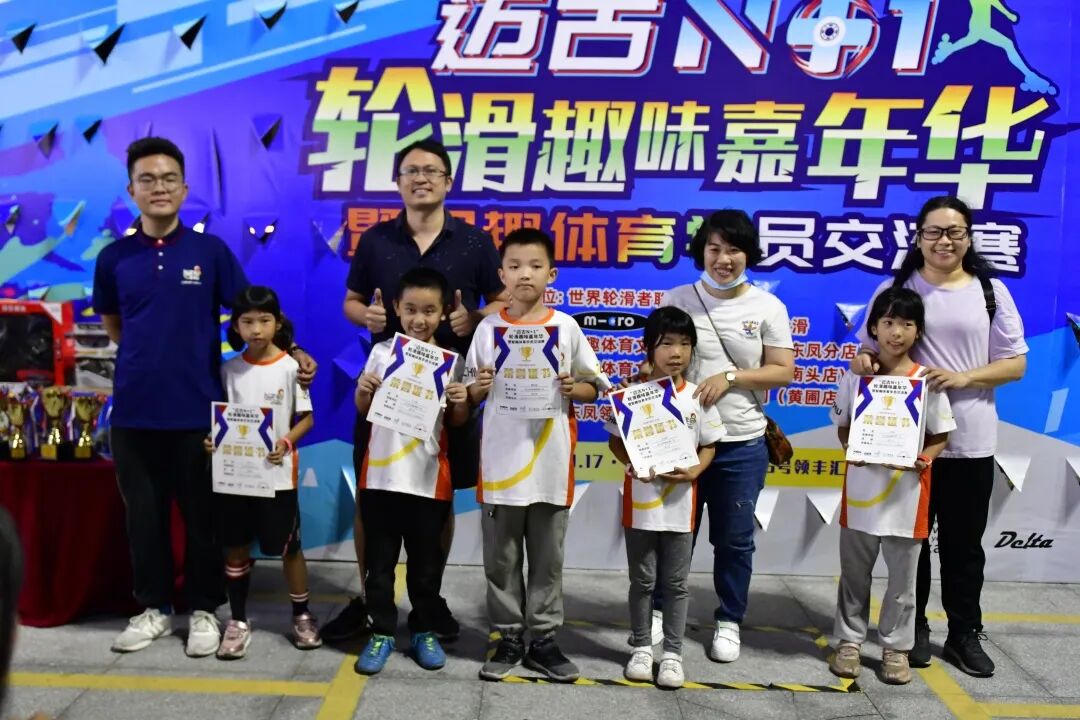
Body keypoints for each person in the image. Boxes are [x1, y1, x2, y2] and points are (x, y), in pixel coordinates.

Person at [93, 137, 316, 658]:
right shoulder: (113, 258)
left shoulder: (209, 252)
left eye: (169, 178)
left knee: (203, 521)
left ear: (184, 187)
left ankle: (203, 610)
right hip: (135, 414)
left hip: (200, 414)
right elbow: (115, 327)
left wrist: (294, 349)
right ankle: (153, 608)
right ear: (131, 190)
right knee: (144, 519)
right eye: (147, 179)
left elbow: (253, 313)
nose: (159, 187)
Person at [328, 138, 504, 642]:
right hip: (384, 391)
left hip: (450, 393)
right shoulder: (376, 240)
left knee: (439, 497)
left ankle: (429, 599)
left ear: (448, 181)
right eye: (410, 171)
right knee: (372, 495)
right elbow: (351, 301)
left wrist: (475, 317)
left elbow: (502, 302)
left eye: (431, 170)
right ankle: (372, 599)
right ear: (398, 181)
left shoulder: (474, 242)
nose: (421, 178)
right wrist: (367, 316)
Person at [850, 196, 1027, 677]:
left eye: (954, 232)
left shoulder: (989, 291)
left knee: (964, 545)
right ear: (919, 237)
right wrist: (864, 360)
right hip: (907, 440)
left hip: (970, 439)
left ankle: (964, 633)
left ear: (968, 237)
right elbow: (868, 350)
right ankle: (914, 630)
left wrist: (965, 377)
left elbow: (1016, 363)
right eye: (933, 231)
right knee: (911, 544)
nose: (944, 241)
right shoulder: (896, 288)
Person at [466, 228, 611, 683]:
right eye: (514, 266)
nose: (524, 274)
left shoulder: (565, 327)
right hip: (501, 466)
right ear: (501, 275)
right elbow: (467, 393)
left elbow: (594, 387)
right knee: (501, 560)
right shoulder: (488, 330)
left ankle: (544, 640)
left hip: (550, 465)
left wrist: (573, 387)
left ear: (552, 274)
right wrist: (478, 388)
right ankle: (509, 637)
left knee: (548, 559)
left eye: (534, 266)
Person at [661, 209, 794, 663]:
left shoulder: (767, 307)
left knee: (735, 541)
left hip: (742, 442)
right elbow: (657, 358)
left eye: (734, 249)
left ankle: (729, 619)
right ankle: (660, 612)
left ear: (748, 254)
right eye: (714, 249)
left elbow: (783, 370)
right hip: (681, 439)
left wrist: (732, 377)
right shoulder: (678, 298)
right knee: (673, 535)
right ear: (701, 252)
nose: (723, 259)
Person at [829, 288, 956, 685]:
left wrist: (924, 460)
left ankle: (896, 647)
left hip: (907, 498)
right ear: (873, 329)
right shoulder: (857, 376)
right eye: (887, 322)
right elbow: (844, 426)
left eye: (906, 324)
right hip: (862, 493)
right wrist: (853, 448)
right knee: (854, 576)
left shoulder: (927, 381)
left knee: (903, 583)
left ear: (918, 331)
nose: (896, 332)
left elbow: (940, 436)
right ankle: (849, 642)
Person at [352, 268, 470, 675]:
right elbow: (364, 410)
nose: (419, 319)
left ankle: (424, 629)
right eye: (411, 310)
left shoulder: (451, 362)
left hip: (427, 479)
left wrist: (460, 400)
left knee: (425, 566)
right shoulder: (382, 353)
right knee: (379, 564)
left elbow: (456, 420)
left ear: (444, 312)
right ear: (396, 310)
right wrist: (363, 391)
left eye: (429, 311)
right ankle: (381, 631)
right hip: (381, 477)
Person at [607, 307, 725, 689]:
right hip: (640, 504)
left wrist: (695, 471)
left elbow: (710, 444)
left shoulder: (697, 396)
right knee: (642, 581)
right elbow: (615, 441)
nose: (676, 352)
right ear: (648, 348)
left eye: (685, 344)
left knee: (676, 584)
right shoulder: (630, 395)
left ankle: (673, 654)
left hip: (680, 506)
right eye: (667, 343)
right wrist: (633, 462)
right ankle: (642, 648)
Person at [204, 287, 318, 660]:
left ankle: (301, 615)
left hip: (277, 477)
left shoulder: (293, 369)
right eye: (248, 322)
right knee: (235, 547)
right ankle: (238, 620)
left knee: (289, 548)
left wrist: (285, 442)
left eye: (264, 320)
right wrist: (213, 441)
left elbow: (307, 419)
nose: (256, 329)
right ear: (236, 326)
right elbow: (220, 421)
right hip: (234, 479)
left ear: (278, 323)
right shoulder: (228, 370)